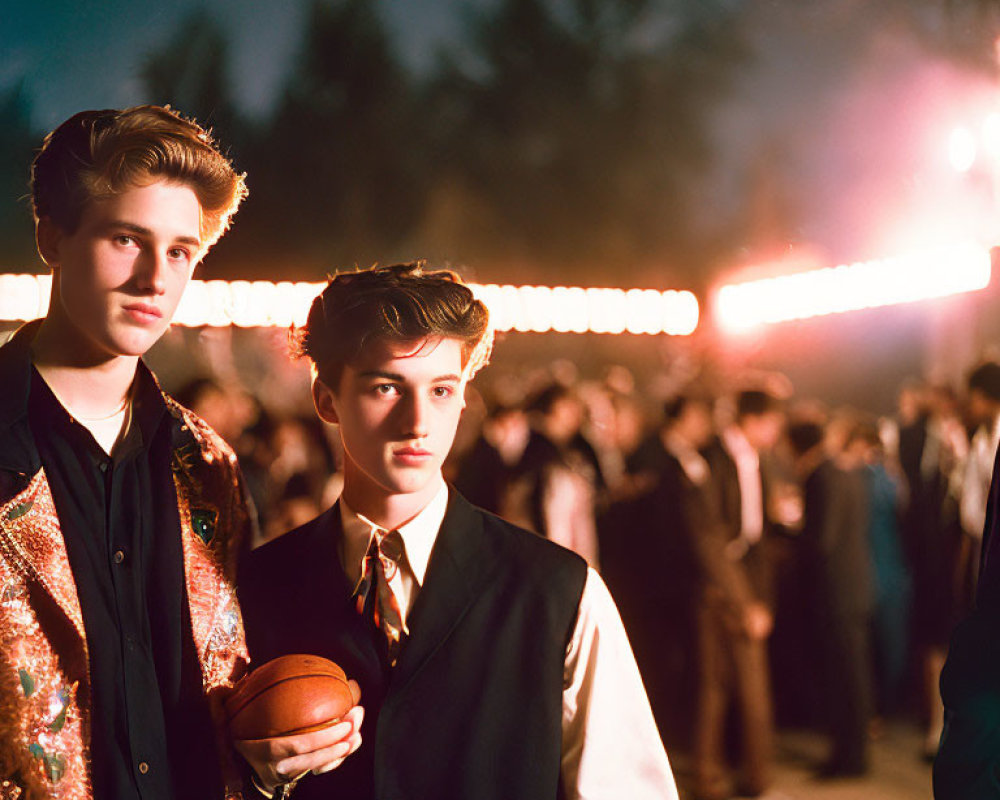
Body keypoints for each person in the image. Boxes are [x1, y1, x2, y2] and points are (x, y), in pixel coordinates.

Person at [0, 105, 358, 800]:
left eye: (179, 251)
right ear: (51, 237)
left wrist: (270, 760)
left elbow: (225, 691)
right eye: (127, 240)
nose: (154, 279)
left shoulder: (210, 466)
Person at [236, 262, 677, 800]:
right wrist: (251, 776)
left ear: (465, 395)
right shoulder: (254, 585)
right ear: (326, 399)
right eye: (386, 388)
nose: (418, 420)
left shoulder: (559, 591)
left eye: (442, 389)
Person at [694, 390, 783, 800]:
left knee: (725, 685)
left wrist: (761, 598)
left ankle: (717, 775)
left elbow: (758, 537)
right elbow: (709, 537)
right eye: (772, 422)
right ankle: (748, 780)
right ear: (753, 419)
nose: (776, 431)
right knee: (734, 685)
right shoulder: (713, 457)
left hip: (742, 578)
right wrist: (746, 602)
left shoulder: (755, 459)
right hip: (719, 585)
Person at [788, 420, 874, 777]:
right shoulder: (847, 472)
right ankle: (854, 755)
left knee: (843, 679)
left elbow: (821, 539)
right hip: (856, 586)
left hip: (835, 592)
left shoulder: (820, 477)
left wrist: (787, 529)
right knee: (854, 676)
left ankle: (847, 759)